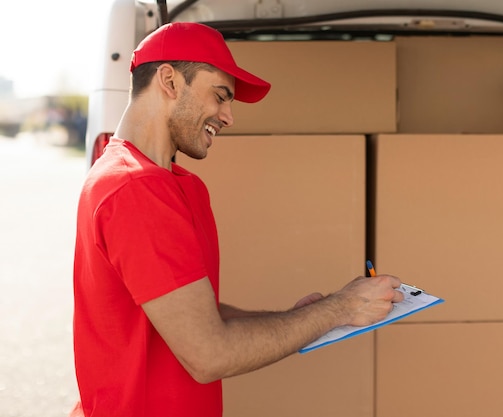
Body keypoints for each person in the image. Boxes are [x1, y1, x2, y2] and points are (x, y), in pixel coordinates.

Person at [71, 22, 403, 417]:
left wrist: (308, 318)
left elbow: (189, 312)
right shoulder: (135, 189)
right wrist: (339, 310)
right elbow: (209, 354)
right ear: (169, 81)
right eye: (220, 96)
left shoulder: (172, 185)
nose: (228, 116)